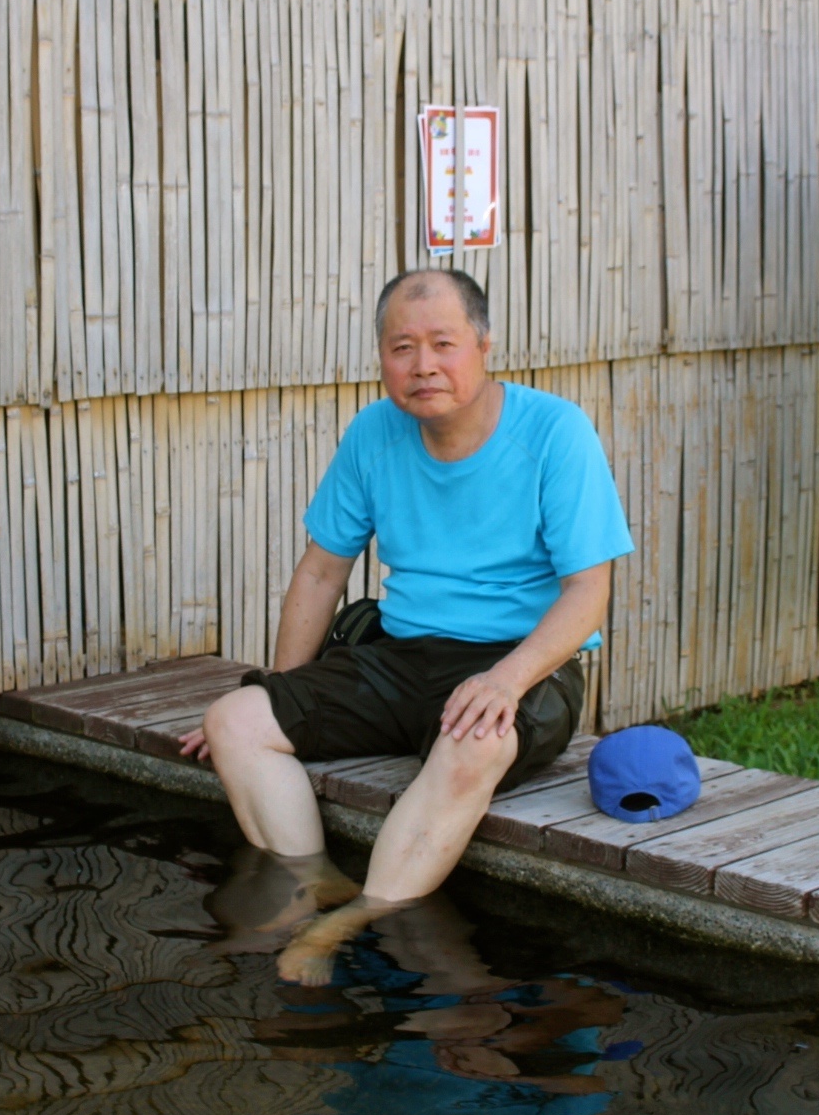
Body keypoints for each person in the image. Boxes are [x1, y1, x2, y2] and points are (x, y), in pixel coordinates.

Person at [178, 267, 634, 984]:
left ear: (484, 345)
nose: (423, 365)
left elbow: (587, 593)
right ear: (382, 358)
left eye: (444, 343)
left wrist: (506, 680)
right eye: (402, 347)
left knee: (475, 742)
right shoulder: (374, 433)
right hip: (400, 655)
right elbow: (322, 572)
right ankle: (313, 882)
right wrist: (283, 701)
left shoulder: (554, 433)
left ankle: (351, 921)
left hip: (523, 663)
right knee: (236, 719)